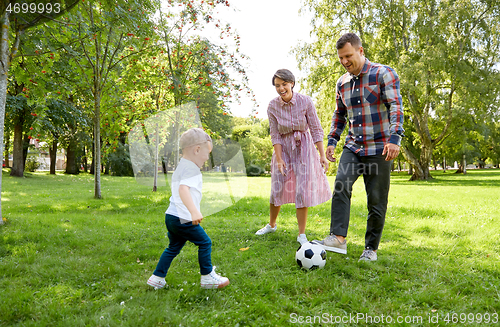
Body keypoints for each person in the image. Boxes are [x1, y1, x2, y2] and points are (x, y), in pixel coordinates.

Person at [319, 33, 404, 261]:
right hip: (353, 146)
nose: (345, 61)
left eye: (348, 56)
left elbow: (395, 106)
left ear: (361, 51)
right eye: (341, 58)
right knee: (340, 185)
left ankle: (371, 249)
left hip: (380, 148)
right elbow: (339, 115)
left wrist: (395, 137)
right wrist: (332, 141)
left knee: (376, 199)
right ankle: (338, 238)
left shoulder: (383, 73)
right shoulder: (342, 83)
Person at [255, 69, 331, 245]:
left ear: (292, 83)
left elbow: (316, 129)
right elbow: (275, 135)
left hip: (304, 147)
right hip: (283, 148)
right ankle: (271, 224)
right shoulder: (272, 106)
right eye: (277, 86)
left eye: (284, 84)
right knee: (278, 187)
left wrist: (321, 155)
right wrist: (279, 158)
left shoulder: (305, 101)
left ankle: (301, 234)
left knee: (302, 189)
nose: (281, 88)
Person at [147, 128, 230, 289]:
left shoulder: (182, 166)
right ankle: (207, 277)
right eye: (207, 153)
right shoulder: (191, 169)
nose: (207, 158)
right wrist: (193, 211)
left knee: (173, 247)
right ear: (197, 150)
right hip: (183, 217)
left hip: (171, 216)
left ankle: (157, 277)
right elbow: (183, 189)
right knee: (205, 242)